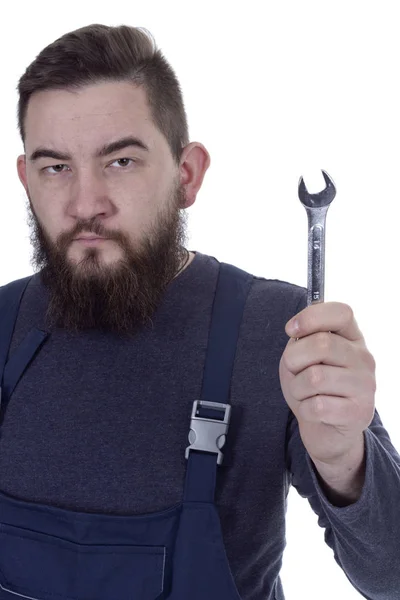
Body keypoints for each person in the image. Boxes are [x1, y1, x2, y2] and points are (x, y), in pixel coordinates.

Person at [0, 23, 398, 600]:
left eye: (121, 162)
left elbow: (390, 577)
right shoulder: (5, 323)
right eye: (55, 167)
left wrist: (344, 457)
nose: (86, 204)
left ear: (187, 175)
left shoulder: (276, 329)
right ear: (26, 180)